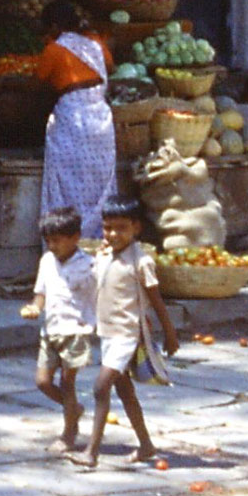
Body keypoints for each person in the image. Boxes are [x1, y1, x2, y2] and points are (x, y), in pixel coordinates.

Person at [76, 196, 179, 470]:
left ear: (136, 228)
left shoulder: (141, 262)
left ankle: (91, 452)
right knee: (125, 391)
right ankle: (146, 445)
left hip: (127, 334)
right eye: (107, 228)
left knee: (100, 387)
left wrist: (170, 334)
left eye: (120, 228)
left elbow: (157, 301)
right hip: (107, 333)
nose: (112, 234)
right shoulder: (105, 254)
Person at [35, 0, 117, 243]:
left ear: (54, 26)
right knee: (99, 181)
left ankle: (69, 239)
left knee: (69, 181)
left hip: (73, 120)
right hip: (101, 120)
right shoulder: (95, 42)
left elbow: (35, 84)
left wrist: (4, 83)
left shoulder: (54, 49)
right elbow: (110, 68)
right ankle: (97, 239)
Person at [21, 206, 97, 454]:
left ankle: (69, 434)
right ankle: (73, 409)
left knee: (68, 382)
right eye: (48, 241)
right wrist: (35, 307)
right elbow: (40, 292)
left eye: (57, 240)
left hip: (77, 331)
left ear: (75, 238)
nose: (52, 246)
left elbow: (103, 293)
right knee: (43, 381)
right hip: (50, 330)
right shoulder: (47, 261)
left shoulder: (89, 265)